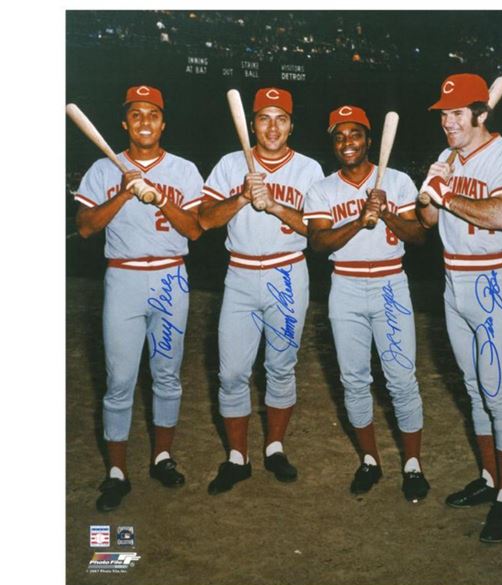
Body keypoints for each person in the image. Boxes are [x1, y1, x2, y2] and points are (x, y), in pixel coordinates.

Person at [74, 85, 205, 511]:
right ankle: (116, 471)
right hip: (125, 280)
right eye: (136, 115)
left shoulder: (184, 170)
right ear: (124, 123)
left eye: (152, 114)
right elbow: (88, 227)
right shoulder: (102, 169)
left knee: (166, 375)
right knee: (119, 380)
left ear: (163, 123)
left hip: (170, 279)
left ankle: (162, 457)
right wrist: (125, 190)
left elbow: (194, 230)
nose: (144, 121)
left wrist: (160, 196)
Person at [417, 73, 502, 542]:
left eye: (458, 113)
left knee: (500, 391)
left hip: (496, 281)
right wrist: (430, 187)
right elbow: (427, 220)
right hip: (454, 279)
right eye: (443, 114)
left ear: (481, 115)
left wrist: (448, 195)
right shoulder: (449, 158)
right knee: (473, 386)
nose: (448, 122)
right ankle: (490, 480)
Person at [197, 87, 324, 494]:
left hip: (288, 273)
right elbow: (204, 221)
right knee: (232, 370)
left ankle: (274, 448)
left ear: (291, 125)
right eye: (265, 118)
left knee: (281, 366)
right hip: (240, 273)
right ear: (252, 124)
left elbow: (318, 230)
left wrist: (274, 205)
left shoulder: (308, 169)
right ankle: (238, 458)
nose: (273, 127)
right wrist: (239, 196)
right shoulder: (231, 163)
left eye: (281, 119)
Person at [304, 105, 429, 502]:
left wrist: (387, 211)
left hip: (391, 284)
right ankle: (370, 460)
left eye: (355, 134)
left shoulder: (397, 180)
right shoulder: (322, 189)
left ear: (368, 139)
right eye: (339, 137)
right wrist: (359, 220)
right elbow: (319, 243)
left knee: (401, 378)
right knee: (354, 379)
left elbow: (420, 237)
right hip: (346, 286)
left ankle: (412, 465)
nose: (347, 143)